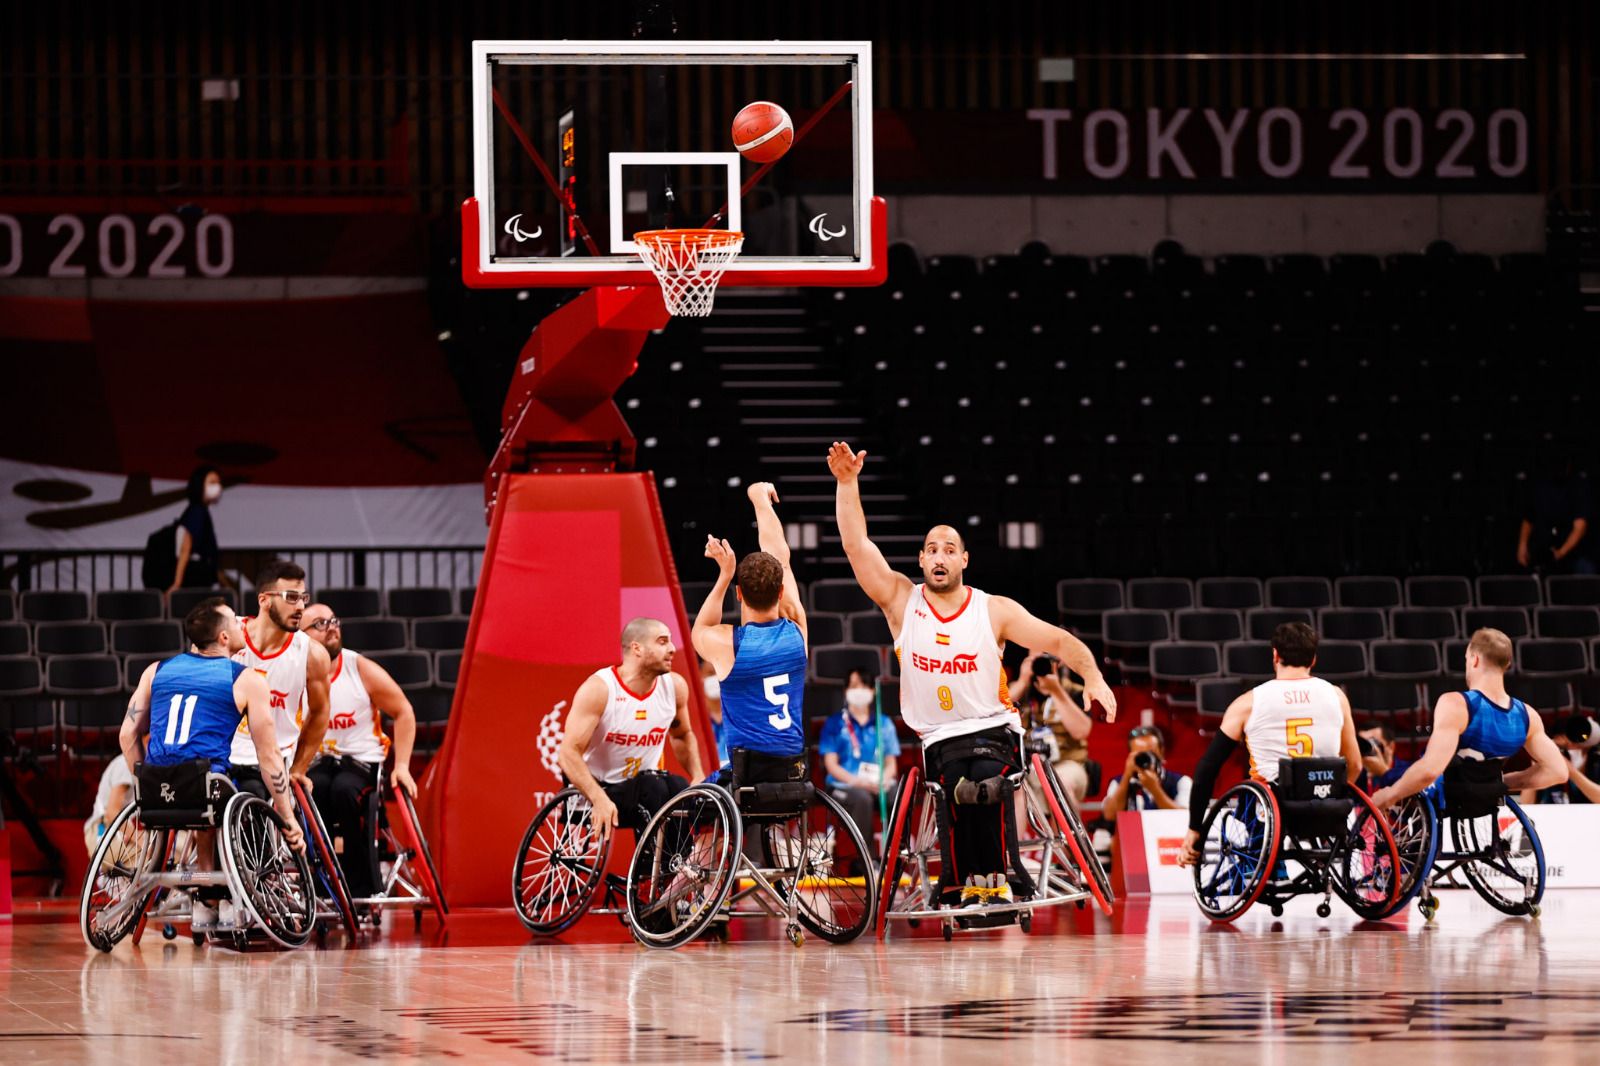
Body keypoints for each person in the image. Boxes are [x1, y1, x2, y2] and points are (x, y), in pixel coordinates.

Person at [828, 441, 1117, 906]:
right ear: (921, 561)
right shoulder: (903, 602)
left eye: (949, 549)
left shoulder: (993, 609)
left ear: (964, 560)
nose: (939, 557)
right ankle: (963, 883)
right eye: (930, 550)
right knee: (957, 783)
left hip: (994, 729)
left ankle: (999, 877)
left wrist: (1095, 677)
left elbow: (1059, 641)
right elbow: (855, 545)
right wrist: (847, 484)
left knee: (985, 776)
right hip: (938, 739)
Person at [119, 597, 304, 927]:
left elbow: (127, 735)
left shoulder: (155, 671)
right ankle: (231, 894)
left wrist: (143, 782)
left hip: (155, 788)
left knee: (206, 792)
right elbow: (270, 756)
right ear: (222, 638)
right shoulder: (247, 679)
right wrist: (288, 818)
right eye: (235, 621)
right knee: (229, 789)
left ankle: (206, 900)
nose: (241, 625)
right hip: (206, 787)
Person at [1179, 623, 1361, 867]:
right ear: (1313, 659)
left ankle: (1268, 864)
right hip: (1327, 802)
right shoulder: (1337, 696)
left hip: (1271, 808)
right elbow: (1355, 764)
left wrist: (1194, 829)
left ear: (1275, 655)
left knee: (1252, 788)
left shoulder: (1248, 703)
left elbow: (1207, 770)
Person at [1369, 628, 1569, 814]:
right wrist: (1501, 783)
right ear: (1507, 664)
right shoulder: (1527, 716)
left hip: (1443, 792)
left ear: (1474, 659)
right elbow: (1558, 772)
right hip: (1483, 795)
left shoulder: (1456, 705)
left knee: (1390, 777)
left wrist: (1389, 795)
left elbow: (1429, 771)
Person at [692, 483, 809, 789]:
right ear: (781, 592)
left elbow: (700, 631)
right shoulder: (797, 629)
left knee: (679, 812)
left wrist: (724, 575)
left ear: (739, 594)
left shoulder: (729, 645)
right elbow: (779, 555)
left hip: (747, 776)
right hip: (793, 771)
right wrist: (761, 502)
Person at [298, 603, 418, 898]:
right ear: (300, 637)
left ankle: (361, 883)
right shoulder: (294, 674)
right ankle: (319, 881)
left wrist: (401, 765)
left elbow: (403, 711)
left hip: (361, 763)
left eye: (333, 620)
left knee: (343, 791)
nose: (331, 627)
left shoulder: (358, 668)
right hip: (318, 762)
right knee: (314, 791)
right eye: (320, 624)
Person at [556, 618, 705, 840]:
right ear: (637, 648)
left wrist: (697, 775)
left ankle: (677, 867)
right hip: (597, 791)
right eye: (662, 642)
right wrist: (597, 798)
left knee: (679, 786)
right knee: (654, 788)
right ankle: (655, 868)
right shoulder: (600, 689)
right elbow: (568, 753)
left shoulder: (674, 687)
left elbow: (682, 735)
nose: (672, 649)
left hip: (646, 788)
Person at [229, 560, 332, 803]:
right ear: (264, 599)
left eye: (303, 598)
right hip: (224, 753)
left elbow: (319, 713)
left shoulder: (312, 655)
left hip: (275, 759)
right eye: (291, 597)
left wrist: (299, 767)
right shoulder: (228, 636)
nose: (300, 607)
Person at [818, 669, 901, 843]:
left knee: (897, 794)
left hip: (876, 784)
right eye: (854, 686)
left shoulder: (884, 723)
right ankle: (867, 861)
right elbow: (831, 765)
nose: (859, 690)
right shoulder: (834, 723)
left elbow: (891, 764)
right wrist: (858, 782)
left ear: (873, 690)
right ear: (846, 691)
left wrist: (882, 780)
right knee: (862, 799)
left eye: (864, 686)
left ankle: (898, 853)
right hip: (843, 786)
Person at [1013, 652, 1094, 805]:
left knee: (1060, 782)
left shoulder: (1075, 691)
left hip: (1068, 762)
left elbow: (1081, 731)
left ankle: (1065, 830)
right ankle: (1018, 831)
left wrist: (1056, 691)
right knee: (1012, 784)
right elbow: (995, 713)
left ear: (1059, 663)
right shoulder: (1019, 691)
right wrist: (1022, 681)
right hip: (1028, 764)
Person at [1516, 452, 1593, 574]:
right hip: (1542, 547)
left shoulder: (1579, 486)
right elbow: (1528, 518)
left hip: (1570, 551)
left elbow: (1580, 527)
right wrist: (1522, 545)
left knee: (1585, 568)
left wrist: (1561, 552)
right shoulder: (1540, 485)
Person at [1101, 725, 1192, 816]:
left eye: (1151, 753)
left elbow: (1184, 817)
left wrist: (1154, 789)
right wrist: (1126, 777)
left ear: (1161, 751)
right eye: (1140, 755)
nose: (1147, 759)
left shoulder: (1182, 782)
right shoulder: (1119, 782)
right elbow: (1109, 815)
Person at [168, 466, 230, 594]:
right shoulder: (197, 512)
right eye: (212, 482)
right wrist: (177, 583)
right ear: (199, 485)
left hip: (200, 578)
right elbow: (186, 547)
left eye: (218, 483)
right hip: (194, 579)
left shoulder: (201, 511)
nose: (217, 487)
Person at [1519, 715, 1600, 805]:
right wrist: (1536, 763)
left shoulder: (1596, 763)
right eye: (1565, 746)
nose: (1571, 746)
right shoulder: (1549, 763)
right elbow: (1526, 803)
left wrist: (1571, 771)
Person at [82, 756, 134, 857]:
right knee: (153, 857)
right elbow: (112, 812)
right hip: (102, 831)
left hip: (114, 831)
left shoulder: (138, 766)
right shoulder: (126, 764)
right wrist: (139, 837)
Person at [1358, 721, 1411, 792]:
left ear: (1391, 747)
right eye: (1363, 745)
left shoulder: (1409, 770)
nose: (1368, 749)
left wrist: (1384, 772)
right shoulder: (1358, 774)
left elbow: (1410, 794)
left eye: (1373, 742)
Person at [699, 657, 730, 768]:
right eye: (711, 673)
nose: (716, 678)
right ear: (700, 677)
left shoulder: (735, 718)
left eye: (719, 672)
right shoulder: (697, 722)